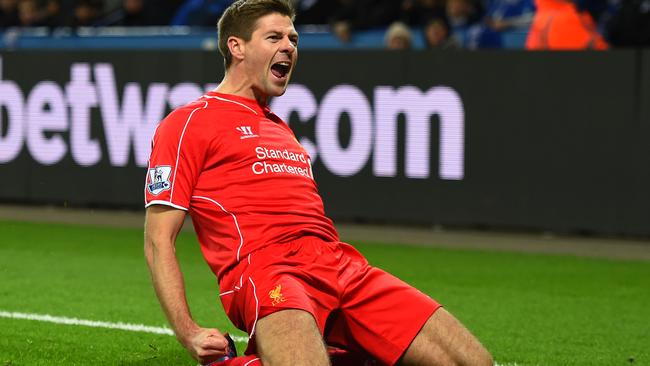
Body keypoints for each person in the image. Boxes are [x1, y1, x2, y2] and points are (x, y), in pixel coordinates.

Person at [143, 1, 493, 365]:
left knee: (473, 362)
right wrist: (189, 331)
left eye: (293, 38)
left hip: (341, 265)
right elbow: (157, 240)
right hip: (268, 271)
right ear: (237, 46)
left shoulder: (282, 130)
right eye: (274, 37)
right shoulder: (187, 123)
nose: (289, 47)